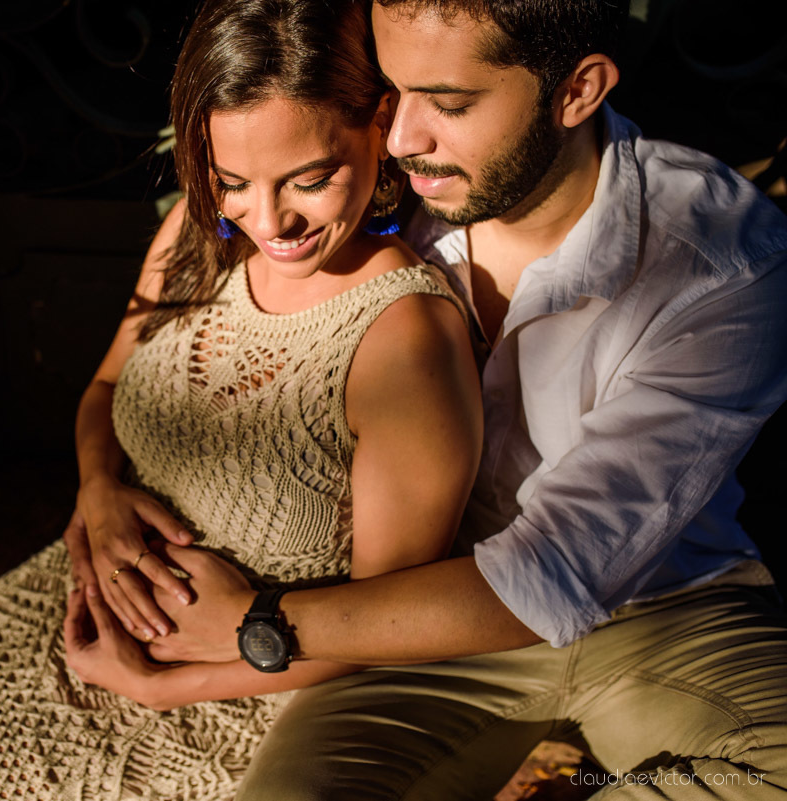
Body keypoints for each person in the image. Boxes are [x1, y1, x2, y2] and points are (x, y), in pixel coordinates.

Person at [67, 0, 787, 797]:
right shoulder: (361, 181)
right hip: (415, 620)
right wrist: (105, 488)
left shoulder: (721, 260)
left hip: (663, 609)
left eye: (448, 103)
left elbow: (555, 569)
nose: (401, 135)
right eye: (393, 91)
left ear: (577, 90)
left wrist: (260, 622)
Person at [0, 1, 481, 799]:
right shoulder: (197, 236)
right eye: (233, 182)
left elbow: (383, 628)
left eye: (310, 179)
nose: (270, 221)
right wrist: (98, 493)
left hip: (238, 690)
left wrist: (160, 685)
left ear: (379, 123)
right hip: (71, 598)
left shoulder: (404, 338)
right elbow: (107, 386)